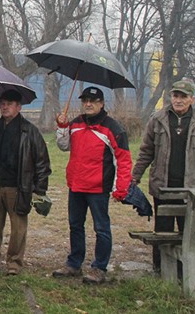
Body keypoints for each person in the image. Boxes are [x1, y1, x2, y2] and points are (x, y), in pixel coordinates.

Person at [52, 86, 132, 284]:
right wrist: (62, 127)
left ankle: (99, 267)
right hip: (76, 185)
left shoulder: (113, 128)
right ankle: (74, 264)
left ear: (102, 104)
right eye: (85, 100)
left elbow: (123, 160)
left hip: (98, 188)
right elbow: (63, 146)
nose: (88, 104)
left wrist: (120, 188)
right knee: (75, 225)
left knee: (101, 228)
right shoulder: (76, 123)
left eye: (93, 101)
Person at [0, 89, 51, 276]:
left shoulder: (29, 131)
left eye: (9, 104)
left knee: (18, 231)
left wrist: (40, 190)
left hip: (18, 188)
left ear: (18, 107)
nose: (5, 107)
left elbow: (42, 162)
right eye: (3, 103)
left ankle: (14, 264)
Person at [132, 79, 195, 273]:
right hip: (163, 186)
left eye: (183, 96)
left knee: (188, 232)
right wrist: (134, 178)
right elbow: (146, 152)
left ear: (192, 99)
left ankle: (185, 270)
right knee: (163, 231)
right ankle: (160, 269)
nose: (178, 100)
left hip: (192, 188)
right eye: (175, 95)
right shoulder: (157, 119)